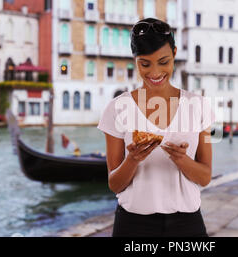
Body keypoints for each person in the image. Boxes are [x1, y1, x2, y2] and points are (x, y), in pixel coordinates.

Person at [97, 18, 215, 237]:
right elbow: (114, 184)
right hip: (133, 225)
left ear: (175, 53)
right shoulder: (116, 108)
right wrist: (132, 159)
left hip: (187, 225)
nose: (155, 72)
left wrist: (181, 159)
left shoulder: (200, 106)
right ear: (135, 61)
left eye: (163, 61)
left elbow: (205, 177)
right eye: (145, 64)